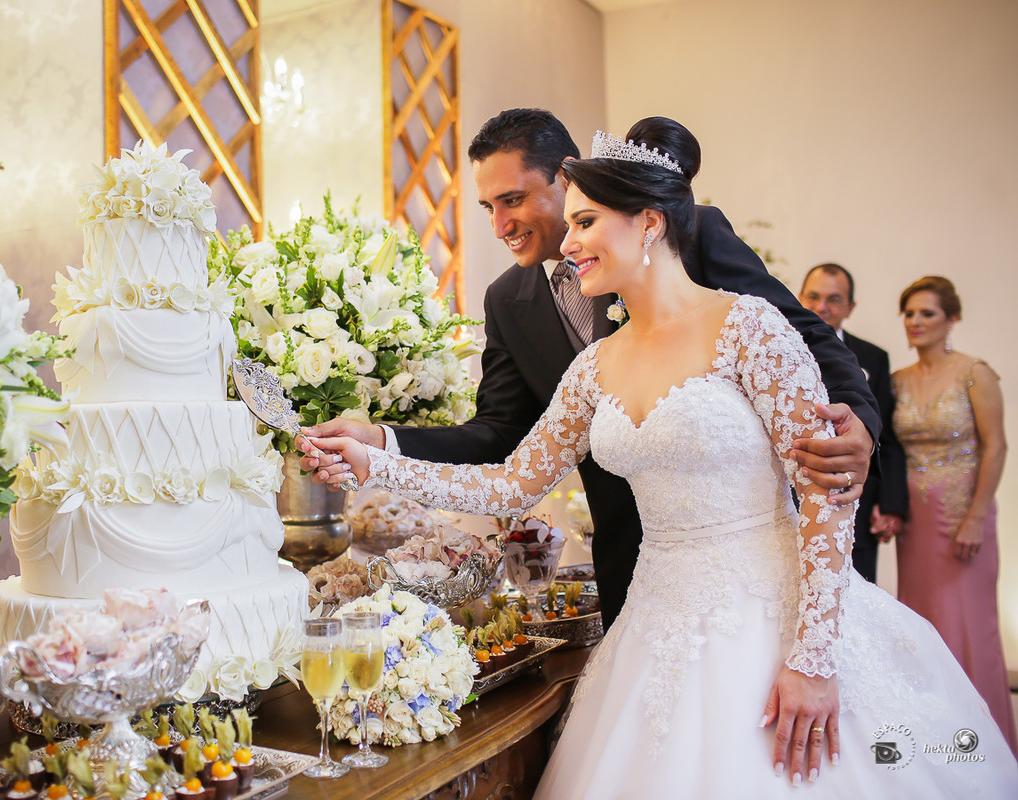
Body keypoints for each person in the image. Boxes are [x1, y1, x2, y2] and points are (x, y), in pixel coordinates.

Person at [303, 121, 1018, 797]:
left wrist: (813, 660)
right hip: (654, 625)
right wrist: (375, 462)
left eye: (585, 223)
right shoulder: (593, 368)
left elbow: (827, 497)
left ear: (648, 223)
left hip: (774, 619)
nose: (571, 242)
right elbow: (509, 480)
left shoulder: (751, 329)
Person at [303, 109, 881, 630]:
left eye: (514, 200)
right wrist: (379, 449)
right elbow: (505, 448)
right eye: (489, 208)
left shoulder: (702, 254)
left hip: (757, 576)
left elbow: (803, 337)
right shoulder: (531, 318)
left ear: (565, 177)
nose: (500, 225)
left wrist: (856, 422)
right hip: (638, 566)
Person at [891, 275, 1016, 753]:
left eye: (928, 313)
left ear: (952, 319)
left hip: (963, 517)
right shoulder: (897, 380)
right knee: (925, 629)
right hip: (916, 527)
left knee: (969, 629)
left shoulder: (974, 373)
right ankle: (931, 750)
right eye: (910, 313)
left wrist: (976, 518)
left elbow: (996, 446)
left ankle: (987, 748)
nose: (916, 322)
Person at [798, 263, 908, 582]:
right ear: (799, 297)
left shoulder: (873, 357)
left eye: (833, 299)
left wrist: (891, 504)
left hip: (855, 498)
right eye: (813, 297)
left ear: (850, 307)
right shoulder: (775, 347)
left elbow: (886, 436)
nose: (822, 307)